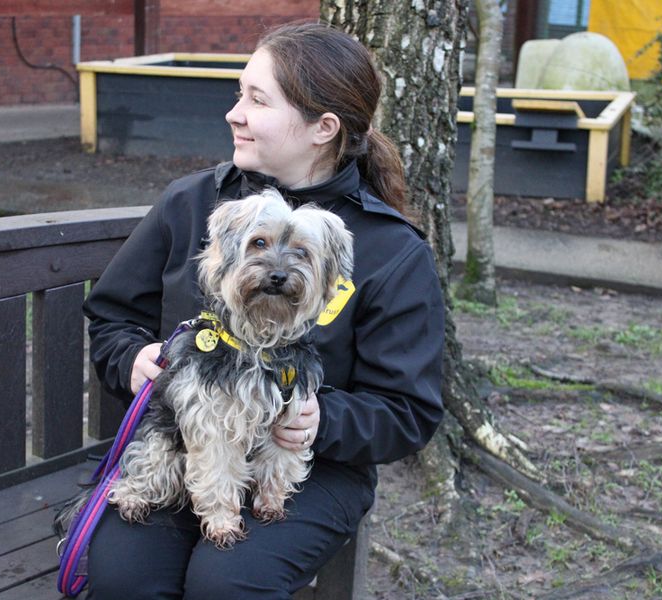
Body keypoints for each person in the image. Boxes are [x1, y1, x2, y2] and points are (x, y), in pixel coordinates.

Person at [82, 21, 445, 599]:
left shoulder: (389, 248)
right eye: (238, 94)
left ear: (323, 128)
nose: (234, 113)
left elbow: (408, 411)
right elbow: (112, 317)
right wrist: (132, 358)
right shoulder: (194, 202)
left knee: (224, 584)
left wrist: (321, 419)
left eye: (257, 99)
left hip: (307, 471)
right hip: (185, 444)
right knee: (121, 579)